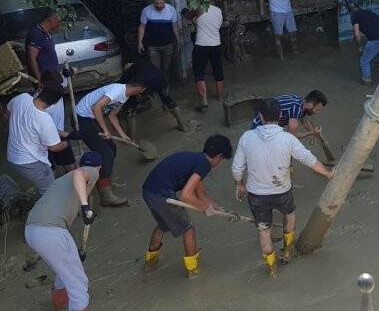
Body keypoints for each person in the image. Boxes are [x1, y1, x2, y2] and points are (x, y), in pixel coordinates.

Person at [232, 98, 333, 276]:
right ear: (279, 116)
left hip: (256, 194)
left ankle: (272, 269)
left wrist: (239, 184)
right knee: (290, 215)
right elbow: (308, 159)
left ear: (260, 117)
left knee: (264, 231)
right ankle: (287, 251)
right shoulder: (287, 139)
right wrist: (327, 173)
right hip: (282, 191)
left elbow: (237, 167)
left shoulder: (247, 137)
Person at [24, 151, 103, 311]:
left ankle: (59, 303)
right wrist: (85, 207)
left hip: (32, 230)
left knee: (63, 267)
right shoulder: (90, 171)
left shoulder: (62, 182)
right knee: (79, 284)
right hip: (50, 231)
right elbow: (79, 174)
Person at [142, 135, 233, 279]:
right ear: (219, 156)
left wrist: (219, 209)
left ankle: (150, 261)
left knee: (163, 225)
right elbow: (186, 195)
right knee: (188, 228)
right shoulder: (204, 165)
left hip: (149, 191)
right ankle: (192, 269)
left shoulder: (196, 159)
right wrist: (205, 208)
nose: (220, 162)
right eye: (222, 159)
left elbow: (201, 193)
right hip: (162, 195)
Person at [75, 79, 147, 207]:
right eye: (143, 90)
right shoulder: (116, 91)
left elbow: (112, 115)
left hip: (92, 117)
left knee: (112, 148)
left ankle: (106, 179)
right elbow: (96, 107)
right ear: (140, 88)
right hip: (82, 117)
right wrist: (105, 130)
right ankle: (106, 195)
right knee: (105, 153)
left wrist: (123, 135)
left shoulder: (124, 96)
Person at [6, 83, 70, 195]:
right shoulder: (44, 119)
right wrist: (66, 143)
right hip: (30, 162)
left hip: (12, 156)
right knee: (50, 193)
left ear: (40, 91)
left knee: (42, 187)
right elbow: (54, 147)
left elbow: (8, 113)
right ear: (55, 102)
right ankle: (50, 211)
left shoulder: (22, 98)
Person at [118, 60, 184, 132]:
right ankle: (183, 126)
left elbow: (123, 88)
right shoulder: (145, 64)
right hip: (159, 80)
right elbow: (165, 85)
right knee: (170, 101)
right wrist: (165, 101)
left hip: (142, 84)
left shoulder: (129, 73)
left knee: (130, 109)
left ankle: (132, 138)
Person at [191, 0, 226, 110]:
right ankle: (221, 98)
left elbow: (188, 17)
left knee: (199, 73)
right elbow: (219, 25)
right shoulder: (219, 11)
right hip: (216, 44)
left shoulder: (199, 8)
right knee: (218, 72)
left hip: (201, 45)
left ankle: (204, 101)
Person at [39, 70, 77, 177]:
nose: (60, 87)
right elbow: (44, 128)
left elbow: (66, 79)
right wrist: (68, 135)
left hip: (61, 134)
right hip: (45, 140)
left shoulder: (58, 86)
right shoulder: (37, 103)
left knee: (72, 168)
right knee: (50, 172)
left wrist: (71, 72)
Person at [137, 0, 180, 86]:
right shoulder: (146, 10)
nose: (159, 5)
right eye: (157, 3)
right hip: (153, 46)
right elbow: (142, 27)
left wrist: (178, 40)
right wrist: (139, 42)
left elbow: (175, 26)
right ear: (153, 2)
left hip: (168, 44)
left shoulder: (171, 9)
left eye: (161, 3)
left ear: (165, 1)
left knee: (166, 67)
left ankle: (165, 84)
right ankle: (158, 86)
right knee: (155, 68)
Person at [249, 91, 327, 139]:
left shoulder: (300, 102)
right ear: (311, 103)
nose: (316, 112)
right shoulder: (295, 110)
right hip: (260, 129)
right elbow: (292, 137)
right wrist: (311, 133)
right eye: (317, 110)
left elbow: (304, 119)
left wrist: (314, 133)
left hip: (264, 122)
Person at [347, 2, 379, 84]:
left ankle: (367, 80)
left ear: (350, 12)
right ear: (358, 6)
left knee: (364, 61)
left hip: (376, 40)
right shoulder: (367, 12)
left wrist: (360, 46)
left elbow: (357, 34)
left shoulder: (354, 16)